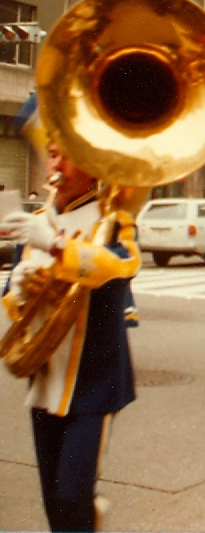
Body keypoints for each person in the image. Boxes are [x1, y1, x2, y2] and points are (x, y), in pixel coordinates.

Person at [0, 141, 140, 531]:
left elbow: (120, 267)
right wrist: (22, 289)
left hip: (93, 380)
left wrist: (57, 246)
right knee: (53, 505)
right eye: (51, 154)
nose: (54, 165)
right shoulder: (38, 219)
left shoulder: (114, 220)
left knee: (72, 496)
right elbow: (12, 299)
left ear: (92, 165)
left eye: (64, 155)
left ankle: (87, 512)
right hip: (45, 377)